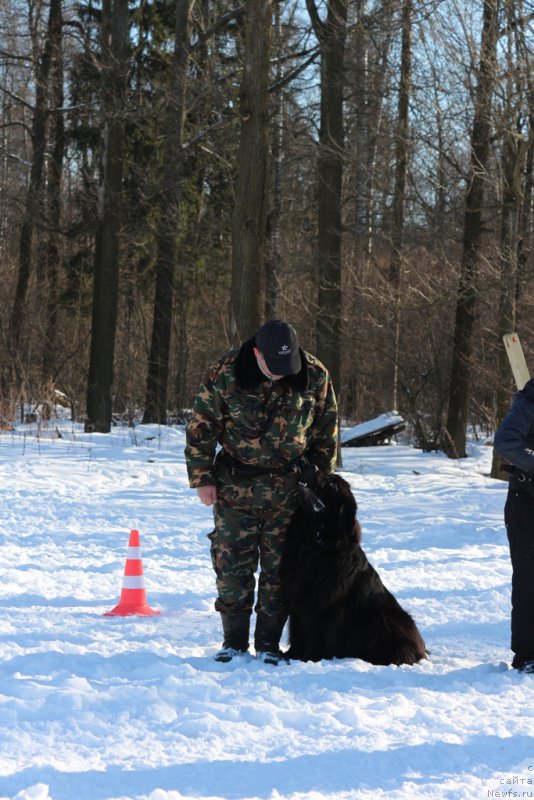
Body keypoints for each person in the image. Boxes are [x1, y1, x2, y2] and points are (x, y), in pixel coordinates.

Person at [184, 320, 338, 664]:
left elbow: (327, 433)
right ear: (256, 353)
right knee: (231, 566)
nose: (282, 374)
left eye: (288, 366)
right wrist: (202, 477)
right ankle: (234, 643)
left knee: (280, 570)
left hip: (289, 491)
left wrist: (322, 484)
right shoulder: (226, 371)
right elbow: (201, 425)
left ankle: (268, 644)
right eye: (273, 366)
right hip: (235, 488)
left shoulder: (314, 374)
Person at [494, 376, 534, 673]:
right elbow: (506, 442)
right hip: (526, 503)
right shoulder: (528, 402)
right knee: (529, 581)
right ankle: (528, 656)